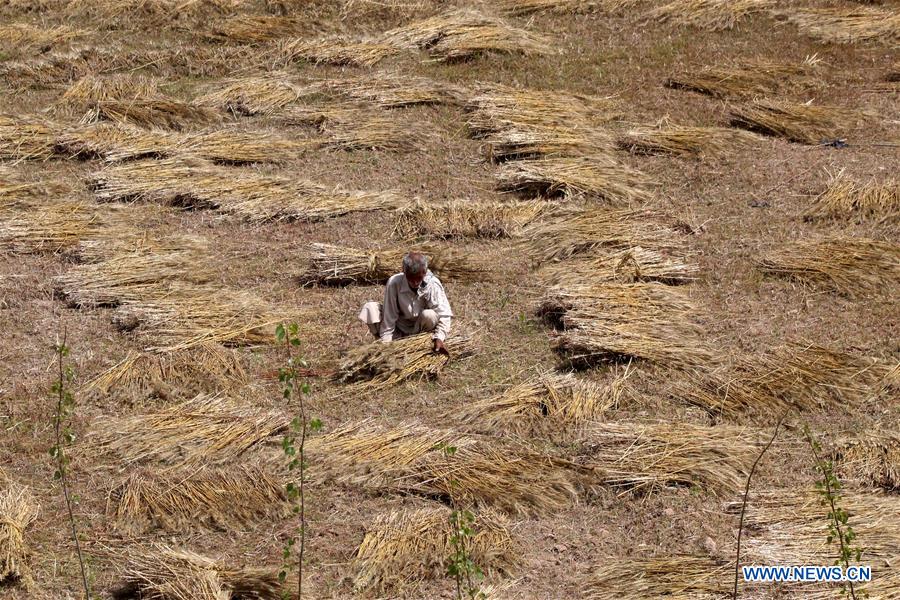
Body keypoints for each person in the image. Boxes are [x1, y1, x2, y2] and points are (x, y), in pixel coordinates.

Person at [358, 252, 452, 354]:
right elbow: (389, 316)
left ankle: (419, 344)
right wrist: (385, 346)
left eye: (419, 279)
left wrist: (439, 338)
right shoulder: (394, 282)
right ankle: (381, 342)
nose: (415, 283)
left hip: (421, 327)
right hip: (400, 327)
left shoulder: (432, 284)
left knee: (429, 315)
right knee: (370, 308)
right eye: (411, 279)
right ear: (404, 272)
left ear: (424, 272)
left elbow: (444, 314)